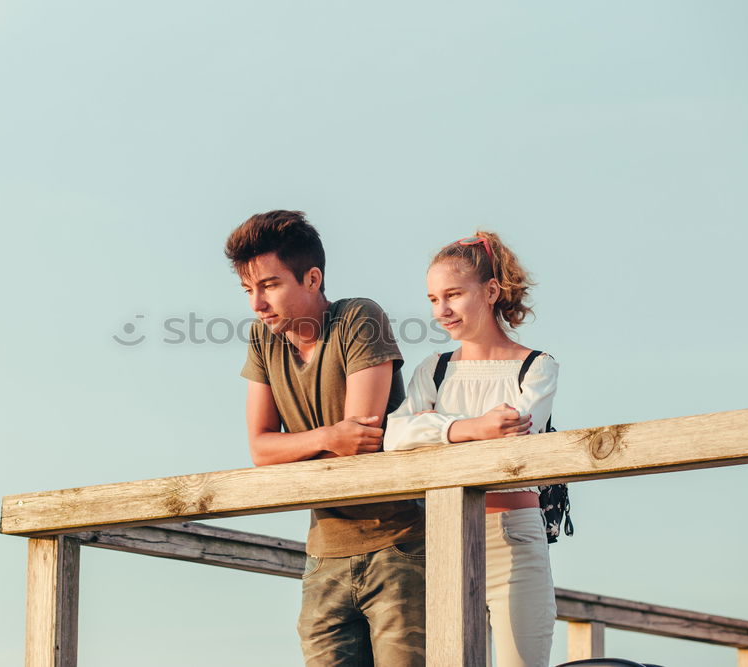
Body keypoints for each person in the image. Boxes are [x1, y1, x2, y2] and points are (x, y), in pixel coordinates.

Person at [225, 210, 426, 666]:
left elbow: (360, 437)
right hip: (323, 554)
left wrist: (313, 441)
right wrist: (329, 435)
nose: (256, 303)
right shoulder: (263, 340)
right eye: (248, 290)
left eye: (270, 285)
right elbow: (260, 448)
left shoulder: (360, 316)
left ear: (312, 277)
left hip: (399, 544)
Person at [384, 231, 557, 667]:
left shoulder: (536, 367)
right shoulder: (435, 369)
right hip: (444, 537)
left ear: (491, 291)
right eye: (433, 298)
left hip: (514, 535)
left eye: (454, 295)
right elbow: (394, 436)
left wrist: (437, 429)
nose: (441, 310)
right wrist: (473, 426)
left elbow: (512, 437)